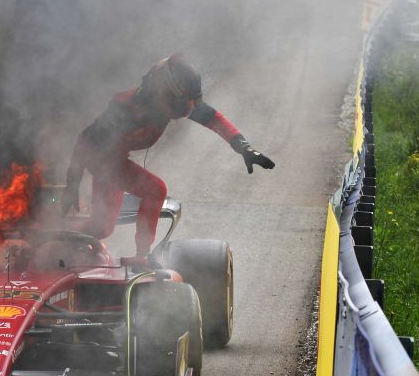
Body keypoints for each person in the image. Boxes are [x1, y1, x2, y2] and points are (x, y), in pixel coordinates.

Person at [62, 53, 275, 257]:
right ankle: (142, 257)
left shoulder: (178, 101)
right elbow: (85, 140)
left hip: (115, 160)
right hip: (100, 158)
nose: (186, 111)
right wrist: (72, 184)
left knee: (102, 227)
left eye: (190, 105)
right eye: (181, 105)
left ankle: (56, 235)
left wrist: (244, 148)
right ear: (159, 92)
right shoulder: (126, 107)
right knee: (155, 190)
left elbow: (214, 120)